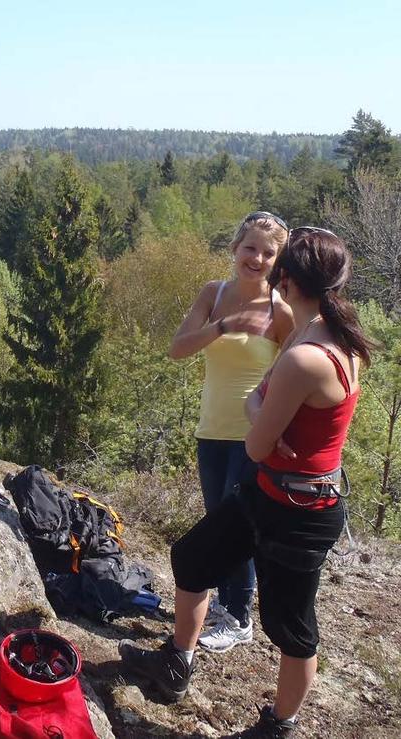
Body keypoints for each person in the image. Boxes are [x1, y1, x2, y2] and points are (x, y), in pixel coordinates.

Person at [120, 227, 373, 738]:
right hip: (270, 491)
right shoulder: (317, 330)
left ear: (286, 278)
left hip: (301, 511)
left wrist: (260, 412)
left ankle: (279, 726)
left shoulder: (309, 351)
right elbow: (258, 401)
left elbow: (256, 439)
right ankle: (177, 663)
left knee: (292, 630)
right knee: (192, 557)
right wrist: (261, 409)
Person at [168, 212, 292, 652]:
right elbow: (177, 349)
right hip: (211, 429)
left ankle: (238, 615)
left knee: (234, 521)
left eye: (267, 252)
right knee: (216, 518)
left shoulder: (283, 309)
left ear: (278, 260)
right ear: (235, 248)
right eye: (250, 248)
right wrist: (221, 326)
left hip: (253, 433)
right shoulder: (213, 293)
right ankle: (225, 605)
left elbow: (298, 373)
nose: (256, 258)